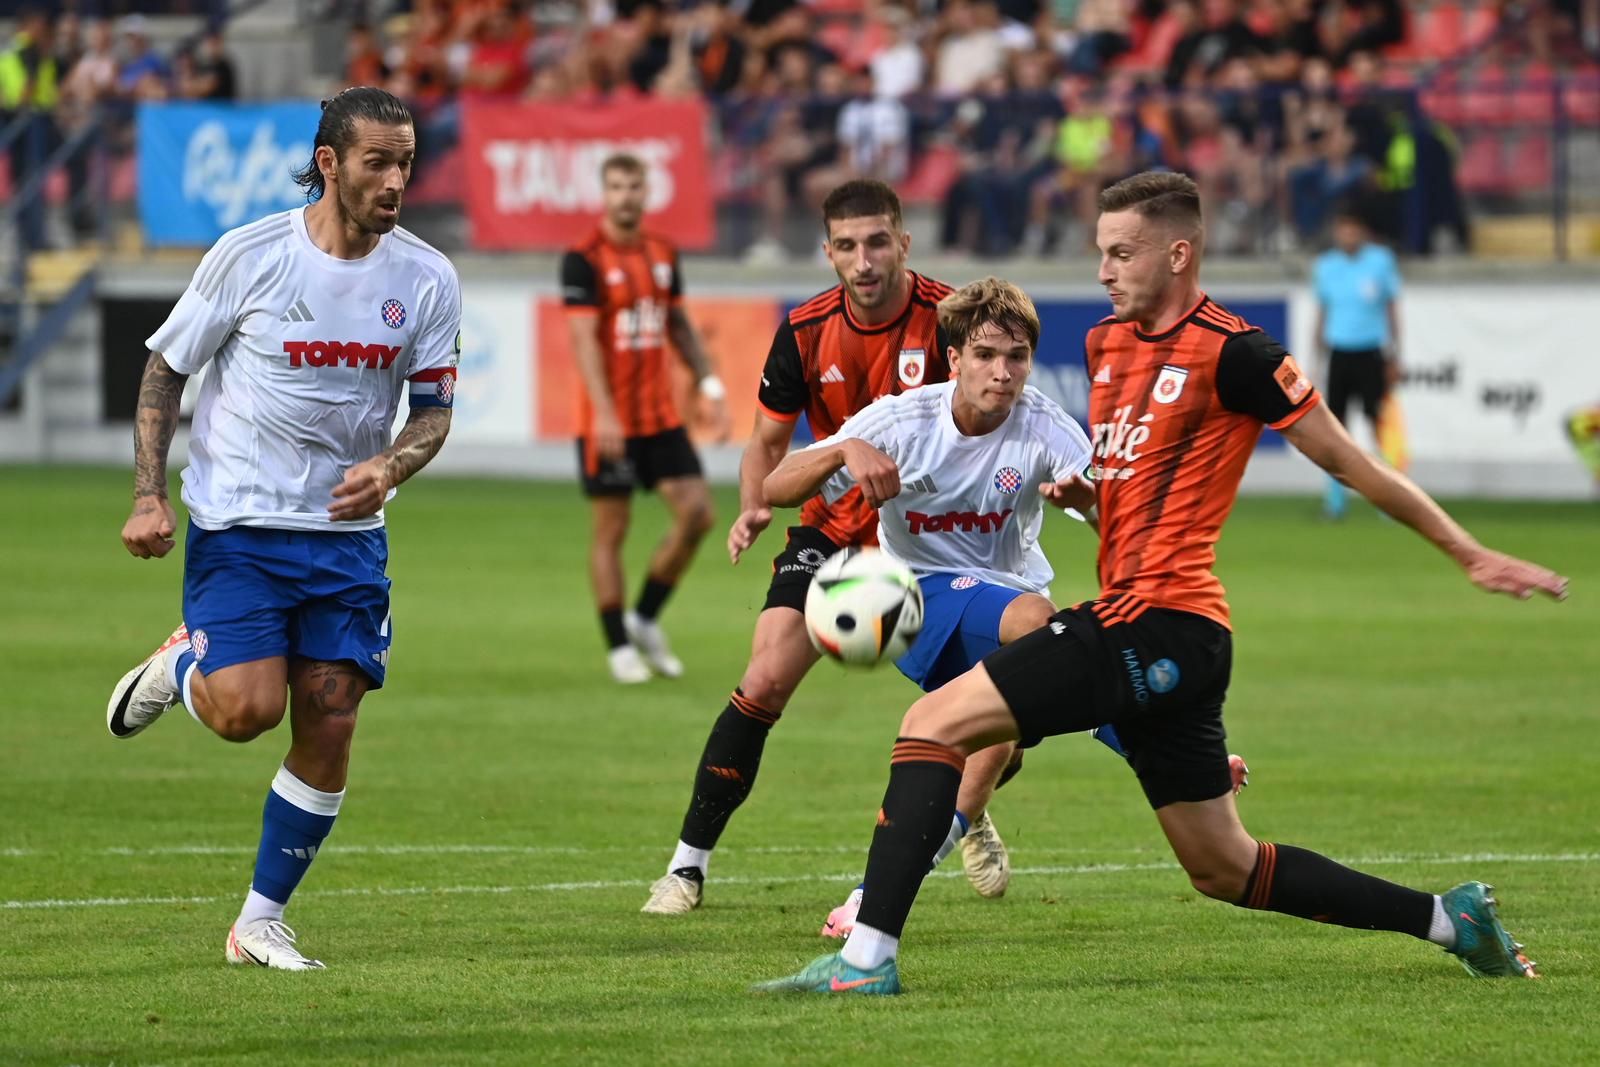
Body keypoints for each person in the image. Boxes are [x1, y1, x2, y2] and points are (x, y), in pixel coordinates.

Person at [754, 170, 1567, 996]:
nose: (1103, 269)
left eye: (1121, 252)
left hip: (1161, 617)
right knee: (1224, 866)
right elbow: (1126, 500)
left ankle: (865, 960)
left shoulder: (1237, 354)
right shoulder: (1109, 346)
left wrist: (1470, 553)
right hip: (1162, 634)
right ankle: (1450, 918)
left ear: (1177, 254)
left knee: (933, 722)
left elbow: (1352, 463)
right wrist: (1089, 496)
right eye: (1100, 251)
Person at [759, 276, 1248, 935]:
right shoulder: (902, 420)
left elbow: (1124, 520)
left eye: (1016, 356)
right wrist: (843, 449)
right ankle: (1146, 742)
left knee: (998, 741)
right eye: (986, 355)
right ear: (953, 358)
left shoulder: (1045, 424)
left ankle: (870, 897)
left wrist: (1093, 503)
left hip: (1007, 600)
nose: (1003, 371)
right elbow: (776, 483)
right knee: (1042, 625)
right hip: (918, 601)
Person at [105, 87, 461, 971]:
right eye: (378, 161)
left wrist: (392, 465)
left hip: (348, 538)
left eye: (407, 162)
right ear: (331, 163)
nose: (395, 180)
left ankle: (258, 920)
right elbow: (165, 368)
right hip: (242, 524)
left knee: (331, 717)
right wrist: (150, 495)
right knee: (245, 714)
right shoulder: (252, 256)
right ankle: (184, 660)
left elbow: (433, 413)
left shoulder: (426, 278)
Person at [642, 180, 1023, 915]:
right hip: (834, 530)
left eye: (878, 241)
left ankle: (968, 809)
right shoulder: (806, 329)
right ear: (828, 252)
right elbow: (766, 442)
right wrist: (755, 504)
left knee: (1004, 702)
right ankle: (685, 869)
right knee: (763, 680)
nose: (863, 259)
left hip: (934, 542)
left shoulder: (949, 322)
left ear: (904, 243)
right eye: (846, 245)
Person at [562, 152, 728, 684]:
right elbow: (584, 343)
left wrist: (709, 384)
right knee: (612, 530)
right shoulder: (583, 258)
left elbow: (677, 324)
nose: (626, 196)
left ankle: (645, 617)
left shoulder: (662, 252)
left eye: (634, 186)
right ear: (604, 193)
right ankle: (617, 646)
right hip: (607, 423)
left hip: (660, 416)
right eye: (616, 186)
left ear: (646, 191)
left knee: (699, 514)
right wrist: (605, 414)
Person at [1312, 206, 1401, 519]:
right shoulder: (1326, 266)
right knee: (1336, 430)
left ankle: (1390, 501)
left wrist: (1395, 354)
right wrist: (1318, 356)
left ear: (1363, 230)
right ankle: (1335, 501)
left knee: (1378, 426)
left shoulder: (1380, 261)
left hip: (1371, 353)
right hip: (1340, 352)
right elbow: (1322, 312)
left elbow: (1391, 310)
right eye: (1343, 227)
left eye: (1353, 227)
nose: (1348, 234)